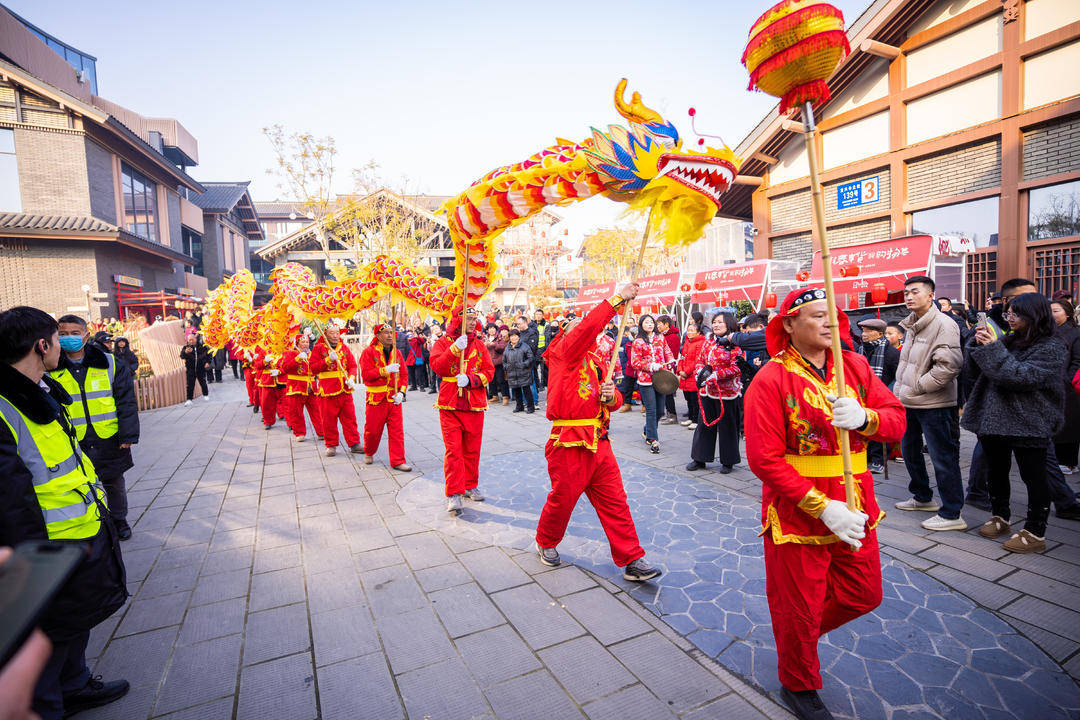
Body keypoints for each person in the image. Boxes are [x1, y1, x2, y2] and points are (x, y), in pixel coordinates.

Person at [743, 289, 906, 720]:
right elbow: (763, 459)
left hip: (856, 505)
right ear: (789, 324)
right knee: (798, 604)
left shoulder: (854, 367)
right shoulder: (770, 379)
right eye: (818, 315)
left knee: (863, 593)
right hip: (799, 511)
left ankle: (794, 640)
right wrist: (822, 507)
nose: (831, 322)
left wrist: (866, 418)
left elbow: (896, 421)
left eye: (834, 314)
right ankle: (798, 680)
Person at [0, 306, 129, 719]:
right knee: (46, 642)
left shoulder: (41, 389)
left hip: (81, 529)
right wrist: (32, 563)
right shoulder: (6, 406)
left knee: (75, 621)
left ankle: (75, 685)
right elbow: (10, 497)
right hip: (47, 545)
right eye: (57, 338)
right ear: (42, 345)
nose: (63, 345)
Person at [535, 282, 662, 581]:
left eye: (581, 328)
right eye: (574, 328)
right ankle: (546, 540)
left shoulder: (597, 362)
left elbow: (614, 401)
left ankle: (632, 558)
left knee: (616, 501)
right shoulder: (562, 355)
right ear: (565, 335)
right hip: (569, 444)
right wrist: (617, 300)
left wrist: (610, 396)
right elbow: (587, 328)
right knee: (563, 499)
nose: (582, 331)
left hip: (600, 443)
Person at [963, 293, 1066, 553]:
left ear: (1035, 315)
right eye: (1008, 313)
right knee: (996, 471)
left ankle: (1035, 530)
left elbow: (1021, 377)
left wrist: (992, 349)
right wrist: (977, 344)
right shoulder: (1008, 340)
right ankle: (1000, 516)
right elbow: (975, 372)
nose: (1010, 318)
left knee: (1033, 476)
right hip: (994, 419)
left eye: (1016, 314)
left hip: (1029, 420)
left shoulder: (1052, 346)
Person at [52, 315, 139, 541]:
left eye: (74, 333)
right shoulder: (51, 367)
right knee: (82, 485)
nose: (69, 338)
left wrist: (128, 435)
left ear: (86, 335)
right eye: (62, 334)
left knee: (114, 483)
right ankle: (96, 523)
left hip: (108, 436)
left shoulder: (110, 363)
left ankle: (119, 521)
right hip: (73, 440)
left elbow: (126, 401)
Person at [892, 276, 966, 532]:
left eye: (915, 292)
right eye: (906, 293)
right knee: (909, 452)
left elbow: (949, 367)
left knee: (942, 457)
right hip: (909, 402)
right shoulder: (912, 324)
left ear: (931, 295)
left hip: (935, 404)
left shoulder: (944, 324)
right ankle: (923, 497)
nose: (909, 297)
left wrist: (918, 387)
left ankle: (952, 512)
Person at [430, 307, 494, 513]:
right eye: (469, 318)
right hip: (449, 404)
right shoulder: (442, 343)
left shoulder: (479, 344)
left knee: (473, 449)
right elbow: (437, 367)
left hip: (474, 403)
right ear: (458, 320)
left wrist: (472, 379)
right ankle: (454, 493)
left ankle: (470, 484)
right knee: (454, 450)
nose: (473, 322)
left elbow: (489, 371)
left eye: (475, 318)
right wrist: (454, 350)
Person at [686, 312, 743, 473]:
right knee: (704, 424)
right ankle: (700, 458)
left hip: (727, 393)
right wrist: (700, 372)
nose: (716, 325)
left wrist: (718, 375)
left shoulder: (735, 344)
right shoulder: (709, 341)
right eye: (714, 322)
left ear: (729, 324)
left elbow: (737, 367)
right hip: (707, 390)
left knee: (728, 426)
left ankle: (728, 461)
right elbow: (700, 360)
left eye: (720, 322)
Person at [359, 323, 411, 470]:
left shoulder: (397, 353)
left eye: (391, 332)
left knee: (397, 431)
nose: (389, 335)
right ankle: (369, 451)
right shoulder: (369, 352)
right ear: (378, 335)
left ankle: (398, 460)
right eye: (386, 332)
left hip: (394, 398)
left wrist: (402, 392)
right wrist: (384, 370)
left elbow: (404, 375)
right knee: (373, 430)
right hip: (376, 399)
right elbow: (366, 375)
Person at [310, 324, 361, 457]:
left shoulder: (344, 347)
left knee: (350, 418)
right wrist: (327, 360)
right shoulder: (318, 348)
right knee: (328, 419)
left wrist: (351, 377)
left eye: (337, 332)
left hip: (345, 389)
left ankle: (354, 443)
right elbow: (313, 368)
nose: (335, 335)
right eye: (332, 333)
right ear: (325, 334)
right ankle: (331, 444)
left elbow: (352, 365)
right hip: (327, 390)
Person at [857, 318, 900, 474]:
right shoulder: (860, 350)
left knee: (879, 428)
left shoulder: (891, 353)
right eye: (863, 331)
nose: (864, 334)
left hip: (882, 395)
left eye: (868, 331)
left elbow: (898, 377)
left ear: (880, 334)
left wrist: (886, 393)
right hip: (862, 394)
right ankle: (866, 457)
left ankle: (879, 460)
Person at [630, 314, 675, 454]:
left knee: (660, 410)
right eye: (646, 322)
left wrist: (671, 362)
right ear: (641, 325)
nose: (649, 324)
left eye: (651, 322)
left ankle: (647, 430)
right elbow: (635, 362)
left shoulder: (660, 337)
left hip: (661, 378)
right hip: (646, 380)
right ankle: (653, 440)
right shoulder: (638, 342)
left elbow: (667, 351)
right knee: (651, 410)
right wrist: (650, 366)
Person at [1051, 298, 1080, 475]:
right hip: (1052, 384)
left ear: (1067, 313)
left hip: (1068, 387)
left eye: (1056, 311)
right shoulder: (1049, 332)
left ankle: (1069, 462)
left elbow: (1077, 360)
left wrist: (1067, 379)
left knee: (1069, 425)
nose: (1052, 314)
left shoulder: (1075, 333)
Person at [280, 334, 322, 442]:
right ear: (297, 343)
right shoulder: (291, 353)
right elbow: (285, 368)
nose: (305, 344)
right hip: (296, 386)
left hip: (311, 387)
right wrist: (297, 359)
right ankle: (299, 433)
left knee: (316, 411)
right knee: (296, 411)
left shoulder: (312, 354)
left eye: (307, 342)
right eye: (303, 342)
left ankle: (321, 432)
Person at [677, 322, 704, 429]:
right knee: (688, 398)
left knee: (695, 399)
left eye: (692, 330)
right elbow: (682, 357)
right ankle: (690, 417)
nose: (689, 332)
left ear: (698, 332)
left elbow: (697, 360)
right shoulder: (687, 342)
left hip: (693, 375)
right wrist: (679, 370)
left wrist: (686, 372)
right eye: (688, 330)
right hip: (684, 376)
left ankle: (695, 420)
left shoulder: (700, 343)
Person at [655, 315, 681, 424]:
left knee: (668, 392)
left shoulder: (673, 337)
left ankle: (672, 415)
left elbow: (672, 355)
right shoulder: (662, 336)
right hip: (662, 367)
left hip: (668, 367)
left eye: (659, 324)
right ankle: (668, 413)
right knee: (664, 391)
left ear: (666, 324)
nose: (657, 326)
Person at [251, 346, 285, 430]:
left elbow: (288, 365)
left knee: (285, 401)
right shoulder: (263, 351)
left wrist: (280, 371)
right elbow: (257, 365)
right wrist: (264, 361)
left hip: (281, 379)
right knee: (266, 402)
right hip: (267, 380)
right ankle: (268, 421)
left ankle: (287, 419)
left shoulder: (284, 349)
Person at [503, 328, 535, 413]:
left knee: (526, 390)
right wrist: (506, 367)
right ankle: (519, 406)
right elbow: (504, 360)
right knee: (516, 390)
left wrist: (523, 365)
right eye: (511, 336)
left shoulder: (525, 346)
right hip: (512, 373)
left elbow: (530, 358)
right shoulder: (507, 348)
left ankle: (531, 407)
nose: (513, 338)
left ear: (518, 336)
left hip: (523, 372)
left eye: (515, 336)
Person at [179, 334, 211, 405]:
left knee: (203, 382)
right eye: (189, 340)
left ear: (195, 339)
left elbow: (209, 354)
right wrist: (186, 352)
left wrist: (208, 362)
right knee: (190, 385)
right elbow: (181, 356)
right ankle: (189, 399)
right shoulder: (186, 348)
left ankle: (205, 395)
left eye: (192, 339)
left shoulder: (202, 347)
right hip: (190, 369)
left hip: (201, 368)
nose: (191, 341)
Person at [484, 324, 509, 405]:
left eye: (493, 328)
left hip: (498, 362)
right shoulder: (485, 338)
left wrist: (494, 345)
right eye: (490, 328)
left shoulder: (499, 337)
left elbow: (503, 347)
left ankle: (505, 396)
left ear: (496, 329)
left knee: (501, 380)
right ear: (487, 330)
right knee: (491, 381)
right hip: (489, 362)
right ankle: (495, 396)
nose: (491, 330)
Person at [534, 309, 549, 390]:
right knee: (535, 368)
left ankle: (543, 385)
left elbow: (547, 339)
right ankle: (537, 385)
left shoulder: (546, 325)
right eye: (537, 314)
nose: (538, 316)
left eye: (540, 314)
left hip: (543, 349)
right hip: (535, 350)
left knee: (543, 369)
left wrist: (546, 351)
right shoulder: (532, 324)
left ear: (543, 315)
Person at [242, 347, 260, 413]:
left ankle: (258, 401)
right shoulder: (242, 345)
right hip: (248, 368)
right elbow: (238, 355)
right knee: (249, 385)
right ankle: (252, 400)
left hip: (258, 367)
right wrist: (245, 356)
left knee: (258, 385)